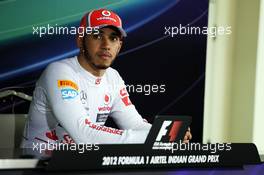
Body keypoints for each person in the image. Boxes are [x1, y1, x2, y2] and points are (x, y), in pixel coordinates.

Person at [21, 9, 192, 148]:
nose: (106, 45)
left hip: (79, 163)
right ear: (81, 40)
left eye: (113, 38)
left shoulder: (113, 77)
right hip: (38, 165)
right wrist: (157, 137)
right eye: (97, 36)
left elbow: (133, 124)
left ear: (119, 46)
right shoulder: (59, 72)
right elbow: (84, 134)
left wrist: (169, 133)